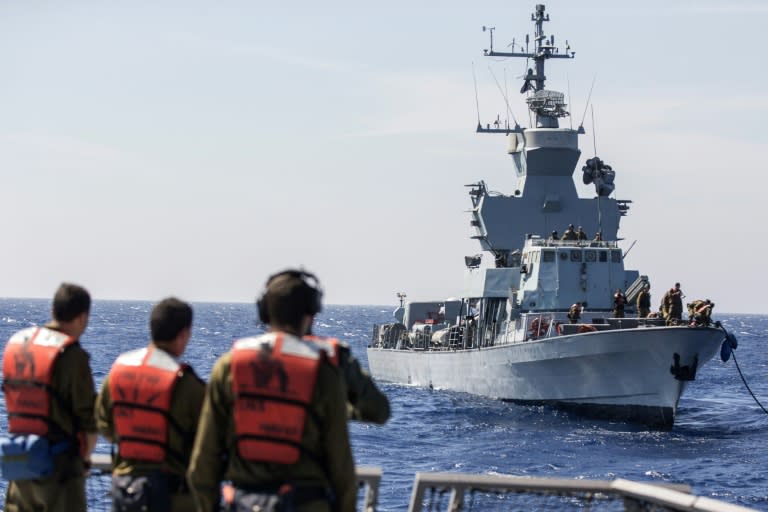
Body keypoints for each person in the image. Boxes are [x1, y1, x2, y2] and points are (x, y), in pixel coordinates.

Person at [188, 269, 356, 512]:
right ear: (310, 316)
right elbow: (341, 468)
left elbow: (202, 464)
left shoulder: (228, 367)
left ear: (264, 312)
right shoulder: (324, 374)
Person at [95, 297, 205, 511]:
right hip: (174, 495)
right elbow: (207, 442)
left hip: (126, 492)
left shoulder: (118, 371)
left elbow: (104, 423)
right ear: (183, 334)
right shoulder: (188, 384)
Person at [2, 283, 98, 512]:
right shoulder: (72, 355)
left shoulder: (17, 344)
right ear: (82, 317)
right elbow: (88, 421)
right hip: (58, 473)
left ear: (53, 310)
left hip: (20, 468)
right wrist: (83, 462)